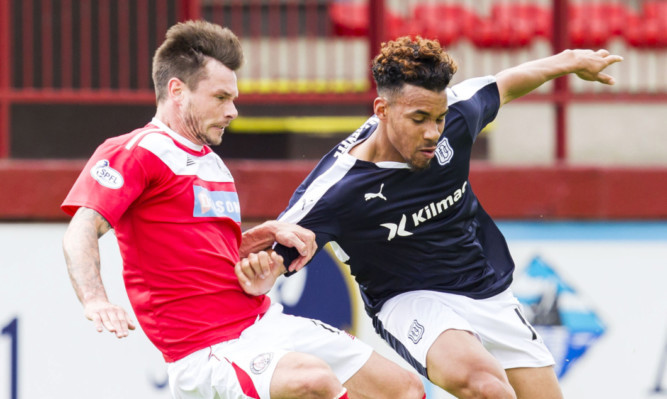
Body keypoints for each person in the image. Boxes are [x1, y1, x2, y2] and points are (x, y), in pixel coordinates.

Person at [61, 21, 425, 399]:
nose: (233, 111)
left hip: (262, 322)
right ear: (177, 91)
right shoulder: (137, 151)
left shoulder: (212, 163)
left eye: (234, 98)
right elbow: (80, 230)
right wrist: (96, 299)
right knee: (312, 381)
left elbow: (214, 257)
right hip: (205, 350)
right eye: (221, 98)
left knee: (404, 389)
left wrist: (267, 234)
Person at [268, 37, 623, 399]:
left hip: (484, 288)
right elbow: (265, 260)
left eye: (438, 119)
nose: (432, 133)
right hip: (407, 296)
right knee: (486, 387)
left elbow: (507, 83)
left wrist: (568, 60)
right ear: (382, 109)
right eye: (418, 119)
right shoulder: (336, 190)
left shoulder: (459, 113)